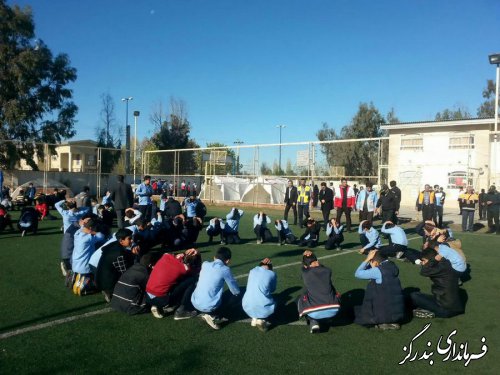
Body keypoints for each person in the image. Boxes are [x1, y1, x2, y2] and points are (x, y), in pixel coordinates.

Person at [191, 247, 240, 330]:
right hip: (208, 306)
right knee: (237, 295)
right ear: (227, 261)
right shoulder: (225, 269)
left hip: (194, 302)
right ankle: (213, 315)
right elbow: (235, 290)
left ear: (214, 257)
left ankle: (208, 312)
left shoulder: (205, 264)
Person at [354, 250, 404, 330]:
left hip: (383, 315)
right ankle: (390, 321)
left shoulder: (378, 271)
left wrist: (367, 259)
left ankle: (384, 323)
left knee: (356, 312)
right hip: (398, 314)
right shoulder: (393, 266)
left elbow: (358, 274)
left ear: (375, 261)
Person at [146, 249, 202, 320]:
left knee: (172, 280)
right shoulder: (184, 268)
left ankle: (157, 305)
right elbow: (198, 272)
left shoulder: (166, 255)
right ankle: (181, 311)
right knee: (192, 280)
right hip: (160, 299)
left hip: (148, 295)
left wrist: (185, 253)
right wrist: (198, 254)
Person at [411, 247, 464, 319]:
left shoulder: (440, 267)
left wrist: (434, 260)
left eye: (423, 261)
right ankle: (428, 310)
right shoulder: (445, 263)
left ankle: (431, 312)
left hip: (446, 309)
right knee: (418, 295)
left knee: (414, 296)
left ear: (431, 259)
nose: (422, 263)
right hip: (453, 306)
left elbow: (423, 272)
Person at [297, 250, 340, 333]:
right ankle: (329, 318)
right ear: (317, 262)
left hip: (314, 312)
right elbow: (322, 267)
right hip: (334, 308)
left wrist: (304, 257)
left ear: (306, 265)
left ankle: (313, 321)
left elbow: (303, 268)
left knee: (300, 298)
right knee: (335, 293)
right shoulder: (327, 271)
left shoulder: (306, 274)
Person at [111, 251, 163, 315]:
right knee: (159, 295)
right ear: (151, 265)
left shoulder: (134, 268)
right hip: (130, 308)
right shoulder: (145, 275)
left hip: (115, 303)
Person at [95, 228, 137, 302]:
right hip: (108, 283)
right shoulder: (119, 254)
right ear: (121, 241)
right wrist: (136, 256)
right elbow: (126, 274)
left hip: (100, 278)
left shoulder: (115, 245)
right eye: (129, 239)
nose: (132, 241)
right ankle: (111, 293)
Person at [242, 258, 277, 332]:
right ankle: (261, 320)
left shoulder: (252, 271)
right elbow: (273, 289)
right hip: (262, 306)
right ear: (271, 267)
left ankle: (254, 317)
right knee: (275, 301)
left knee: (255, 296)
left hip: (246, 305)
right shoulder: (272, 274)